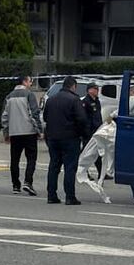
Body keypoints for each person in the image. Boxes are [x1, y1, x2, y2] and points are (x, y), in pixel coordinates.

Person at [43, 76, 88, 205]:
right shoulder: (74, 100)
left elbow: (46, 117)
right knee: (70, 167)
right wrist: (83, 134)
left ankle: (51, 195)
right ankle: (70, 196)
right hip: (70, 138)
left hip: (53, 138)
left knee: (54, 166)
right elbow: (82, 119)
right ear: (73, 86)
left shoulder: (51, 100)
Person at [1, 74, 43, 196]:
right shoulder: (29, 95)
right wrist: (39, 130)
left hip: (14, 132)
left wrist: (6, 133)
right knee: (31, 158)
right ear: (25, 82)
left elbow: (4, 116)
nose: (31, 84)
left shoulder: (9, 96)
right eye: (30, 81)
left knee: (15, 159)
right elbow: (33, 114)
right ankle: (28, 182)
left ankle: (15, 185)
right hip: (29, 131)